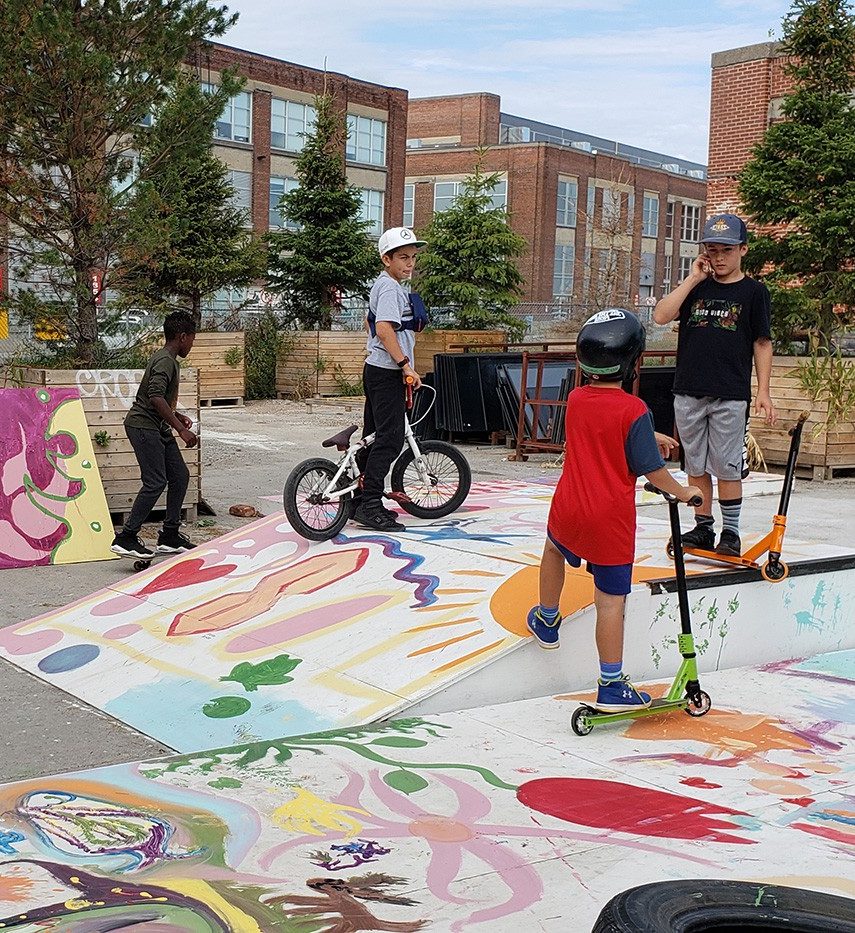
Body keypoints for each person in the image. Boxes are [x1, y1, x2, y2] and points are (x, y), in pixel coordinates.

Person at [527, 309, 702, 712]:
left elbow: (599, 427)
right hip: (609, 521)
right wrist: (685, 491)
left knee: (553, 551)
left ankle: (547, 619)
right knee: (610, 602)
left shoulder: (574, 398)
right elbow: (651, 470)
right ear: (635, 361)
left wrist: (645, 434)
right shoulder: (634, 411)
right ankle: (610, 685)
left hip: (570, 506)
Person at [653, 213, 776, 556]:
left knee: (726, 464)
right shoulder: (697, 288)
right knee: (695, 463)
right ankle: (702, 526)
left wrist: (763, 390)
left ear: (743, 250)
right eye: (712, 249)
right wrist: (692, 279)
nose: (719, 257)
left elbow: (762, 343)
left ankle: (731, 532)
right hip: (689, 388)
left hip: (730, 392)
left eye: (727, 250)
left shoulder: (754, 292)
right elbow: (661, 315)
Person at [110, 310, 199, 560]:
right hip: (143, 426)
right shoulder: (165, 361)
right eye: (192, 339)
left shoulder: (167, 359)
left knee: (179, 475)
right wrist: (181, 429)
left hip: (157, 425)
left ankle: (169, 536)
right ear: (182, 337)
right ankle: (126, 538)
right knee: (155, 481)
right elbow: (154, 396)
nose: (192, 344)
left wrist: (176, 414)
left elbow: (159, 398)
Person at [355, 227, 425, 532]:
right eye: (402, 258)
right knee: (390, 439)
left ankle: (359, 500)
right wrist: (406, 366)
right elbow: (384, 329)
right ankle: (370, 504)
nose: (409, 263)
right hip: (386, 372)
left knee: (373, 437)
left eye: (412, 257)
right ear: (386, 259)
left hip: (379, 370)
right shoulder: (389, 288)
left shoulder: (390, 285)